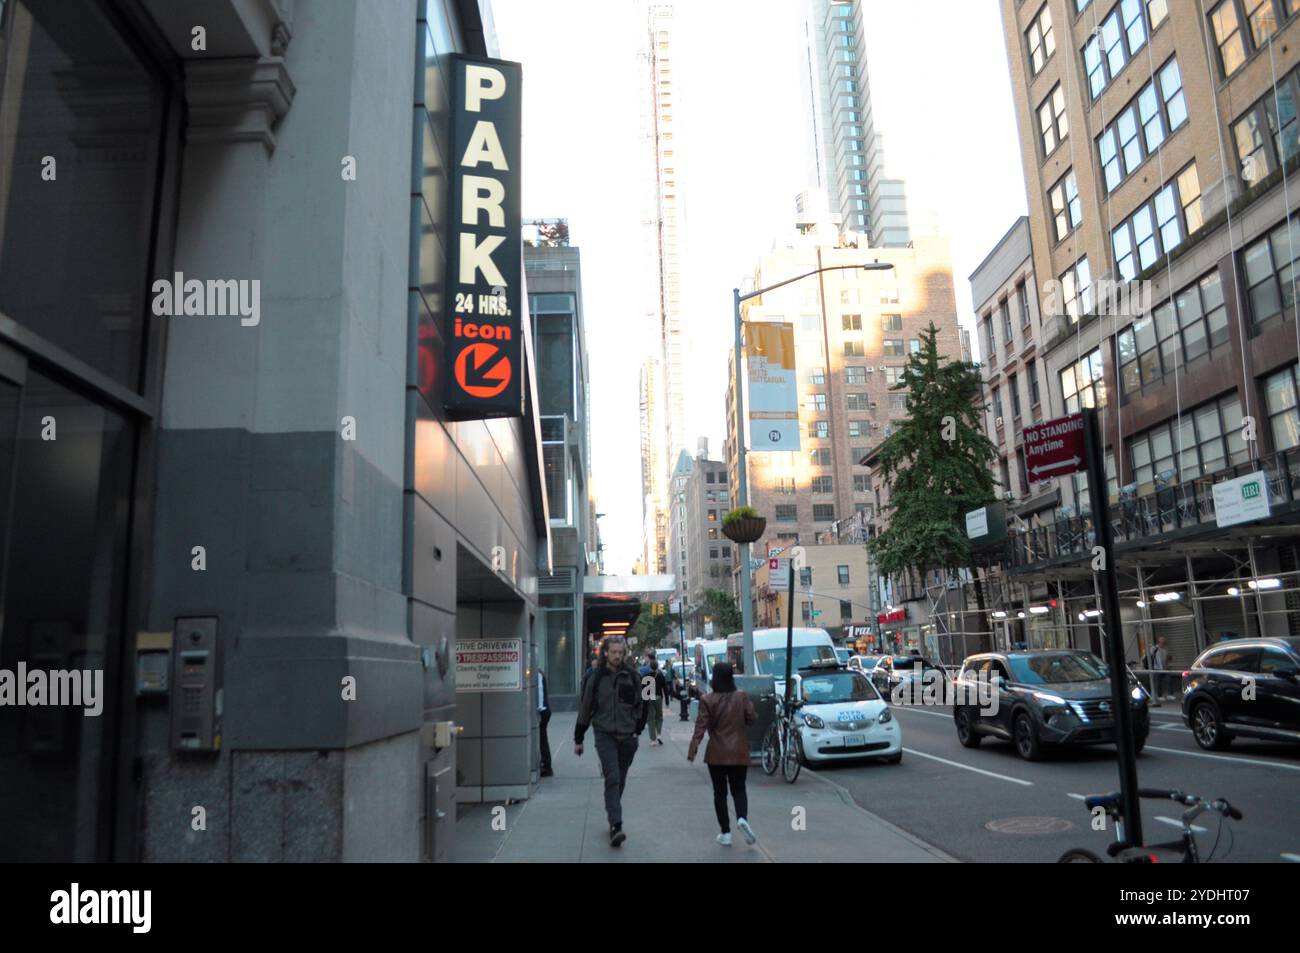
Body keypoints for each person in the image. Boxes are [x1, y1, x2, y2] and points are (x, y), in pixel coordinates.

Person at [574, 635, 647, 847]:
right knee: (612, 777)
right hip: (604, 734)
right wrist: (578, 738)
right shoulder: (595, 678)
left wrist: (638, 728)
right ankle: (616, 825)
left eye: (620, 652)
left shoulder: (633, 676)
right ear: (605, 652)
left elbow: (643, 704)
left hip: (628, 736)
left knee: (619, 780)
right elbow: (586, 708)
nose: (617, 656)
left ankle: (612, 809)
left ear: (624, 653)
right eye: (613, 652)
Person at [688, 661, 757, 847]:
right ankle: (742, 818)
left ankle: (725, 832)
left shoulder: (707, 699)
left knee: (720, 793)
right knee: (739, 789)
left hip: (716, 753)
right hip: (739, 752)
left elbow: (700, 726)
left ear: (714, 678)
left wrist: (693, 749)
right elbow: (752, 717)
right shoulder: (741, 696)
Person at [646, 659, 667, 745]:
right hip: (658, 697)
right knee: (659, 717)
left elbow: (643, 689)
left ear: (650, 667)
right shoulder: (661, 675)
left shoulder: (646, 676)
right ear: (657, 666)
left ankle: (653, 739)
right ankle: (659, 733)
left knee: (650, 719)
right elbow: (665, 688)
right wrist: (667, 700)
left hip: (650, 698)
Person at [536, 667, 552, 777]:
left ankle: (546, 765)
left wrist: (540, 709)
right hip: (545, 710)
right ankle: (546, 764)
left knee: (542, 738)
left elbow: (540, 691)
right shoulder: (539, 673)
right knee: (542, 738)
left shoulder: (537, 674)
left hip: (543, 711)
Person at [1151, 636, 1170, 706]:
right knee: (1158, 681)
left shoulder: (1164, 649)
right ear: (1159, 642)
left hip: (1164, 668)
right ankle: (1159, 695)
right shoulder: (1155, 649)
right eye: (1162, 642)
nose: (1164, 644)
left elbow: (1165, 658)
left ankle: (1167, 693)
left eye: (1164, 642)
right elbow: (1153, 656)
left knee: (1167, 680)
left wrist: (1167, 665)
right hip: (1157, 668)